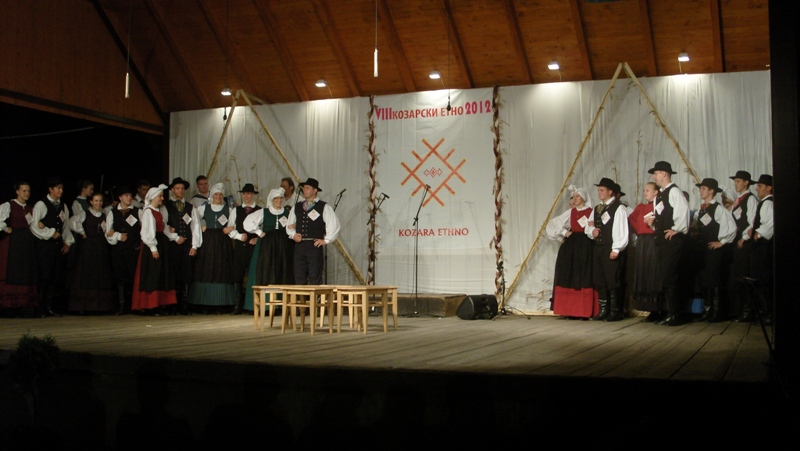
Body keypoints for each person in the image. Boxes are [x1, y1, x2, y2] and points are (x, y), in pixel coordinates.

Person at [644, 161, 690, 326]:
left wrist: (676, 229)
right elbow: (661, 215)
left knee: (670, 277)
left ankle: (676, 314)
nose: (654, 177)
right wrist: (653, 223)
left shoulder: (674, 191)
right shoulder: (661, 195)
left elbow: (683, 212)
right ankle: (670, 312)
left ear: (664, 174)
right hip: (662, 241)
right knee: (665, 277)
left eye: (656, 173)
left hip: (672, 242)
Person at [545, 186, 595, 319]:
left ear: (583, 198)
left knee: (583, 275)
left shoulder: (591, 211)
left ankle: (583, 310)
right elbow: (554, 223)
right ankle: (570, 310)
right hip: (572, 246)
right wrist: (564, 232)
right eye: (574, 196)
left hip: (586, 245)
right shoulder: (571, 212)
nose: (575, 199)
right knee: (569, 275)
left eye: (578, 196)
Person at [691, 178, 736, 322]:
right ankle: (708, 310)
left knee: (714, 280)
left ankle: (717, 311)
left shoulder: (719, 209)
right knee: (704, 280)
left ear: (712, 191)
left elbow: (732, 228)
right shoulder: (701, 209)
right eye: (700, 188)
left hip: (713, 252)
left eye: (703, 188)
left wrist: (722, 242)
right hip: (702, 251)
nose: (701, 191)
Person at [585, 178, 629, 321]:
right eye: (598, 190)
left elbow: (621, 229)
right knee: (600, 279)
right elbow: (589, 226)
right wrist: (592, 231)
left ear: (610, 192)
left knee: (613, 279)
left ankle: (615, 311)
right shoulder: (597, 208)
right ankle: (604, 310)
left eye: (602, 190)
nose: (599, 193)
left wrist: (616, 248)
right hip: (598, 247)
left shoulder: (618, 208)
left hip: (611, 247)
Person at [31, 176, 75, 317]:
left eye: (62, 188)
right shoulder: (41, 204)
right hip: (45, 246)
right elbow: (34, 226)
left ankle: (49, 306)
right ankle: (39, 307)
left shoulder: (63, 206)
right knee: (44, 276)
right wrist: (50, 233)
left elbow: (65, 226)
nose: (61, 191)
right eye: (58, 188)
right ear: (51, 189)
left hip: (57, 246)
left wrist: (67, 242)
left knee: (54, 276)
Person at [244, 187, 294, 311]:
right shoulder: (264, 212)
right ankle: (265, 305)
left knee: (282, 271)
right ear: (272, 200)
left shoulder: (288, 213)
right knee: (265, 269)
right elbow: (247, 222)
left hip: (283, 246)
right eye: (276, 198)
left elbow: (292, 227)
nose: (279, 201)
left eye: (280, 198)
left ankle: (281, 305)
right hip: (267, 246)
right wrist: (259, 232)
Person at [189, 182, 236, 311]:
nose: (218, 197)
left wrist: (232, 228)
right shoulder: (205, 208)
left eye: (220, 194)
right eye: (216, 194)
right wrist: (201, 226)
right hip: (208, 241)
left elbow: (235, 223)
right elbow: (194, 219)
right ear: (212, 196)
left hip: (223, 242)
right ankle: (204, 303)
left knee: (222, 268)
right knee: (207, 267)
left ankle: (221, 303)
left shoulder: (229, 210)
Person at [131, 184, 178, 314]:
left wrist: (175, 237)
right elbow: (147, 232)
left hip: (161, 243)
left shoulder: (158, 211)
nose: (162, 198)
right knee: (152, 274)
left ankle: (160, 304)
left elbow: (163, 228)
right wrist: (153, 248)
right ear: (152, 197)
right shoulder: (148, 211)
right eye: (160, 196)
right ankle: (150, 305)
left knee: (160, 273)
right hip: (153, 245)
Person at [286, 178, 340, 285]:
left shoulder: (323, 206)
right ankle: (301, 296)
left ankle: (315, 296)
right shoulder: (297, 206)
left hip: (314, 246)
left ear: (315, 190)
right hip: (299, 247)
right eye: (304, 188)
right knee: (299, 276)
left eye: (307, 188)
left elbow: (333, 224)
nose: (304, 190)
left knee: (315, 276)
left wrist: (326, 240)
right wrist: (293, 235)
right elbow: (289, 225)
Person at [68, 192, 115, 313]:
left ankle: (100, 307)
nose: (98, 203)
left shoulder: (105, 215)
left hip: (101, 248)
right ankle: (84, 306)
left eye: (100, 201)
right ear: (91, 202)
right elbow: (72, 221)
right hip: (88, 248)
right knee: (87, 274)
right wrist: (82, 232)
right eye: (96, 201)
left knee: (100, 274)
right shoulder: (85, 214)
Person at [0, 182, 38, 316]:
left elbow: (33, 225)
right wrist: (6, 229)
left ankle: (23, 305)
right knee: (12, 269)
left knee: (24, 270)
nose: (27, 193)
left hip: (26, 244)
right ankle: (8, 305)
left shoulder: (30, 208)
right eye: (24, 191)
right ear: (17, 191)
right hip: (13, 242)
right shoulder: (9, 205)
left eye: (28, 191)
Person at [164, 177, 200, 314]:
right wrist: (174, 236)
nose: (180, 191)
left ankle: (184, 305)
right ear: (172, 190)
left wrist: (194, 246)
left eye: (182, 188)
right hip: (172, 245)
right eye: (177, 188)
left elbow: (195, 227)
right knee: (172, 274)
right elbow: (163, 225)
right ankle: (172, 305)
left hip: (186, 246)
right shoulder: (166, 206)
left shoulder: (190, 207)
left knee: (186, 274)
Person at [106, 186, 142, 315]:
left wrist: (140, 243)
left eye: (130, 195)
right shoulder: (112, 213)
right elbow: (108, 232)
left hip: (133, 250)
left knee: (133, 277)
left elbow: (144, 229)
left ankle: (134, 306)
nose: (129, 198)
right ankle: (122, 305)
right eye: (126, 195)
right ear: (120, 197)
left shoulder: (138, 211)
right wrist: (117, 236)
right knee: (120, 277)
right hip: (118, 250)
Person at [729, 170, 759, 322]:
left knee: (745, 276)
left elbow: (753, 221)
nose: (736, 184)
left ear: (746, 183)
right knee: (738, 276)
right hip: (737, 242)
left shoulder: (750, 199)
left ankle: (749, 310)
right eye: (735, 181)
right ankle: (741, 310)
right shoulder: (738, 200)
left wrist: (745, 237)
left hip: (745, 243)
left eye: (738, 181)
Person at [629, 182, 661, 320]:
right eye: (644, 190)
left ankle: (657, 308)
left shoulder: (659, 207)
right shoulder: (641, 207)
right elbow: (631, 218)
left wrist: (651, 228)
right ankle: (648, 308)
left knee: (653, 272)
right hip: (642, 241)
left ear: (656, 192)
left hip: (653, 240)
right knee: (644, 271)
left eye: (648, 190)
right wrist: (640, 230)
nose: (645, 193)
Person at [744, 174, 774, 325]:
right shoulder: (764, 203)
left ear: (769, 188)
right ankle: (763, 313)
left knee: (762, 280)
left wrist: (758, 234)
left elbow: (770, 223)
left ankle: (768, 314)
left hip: (764, 247)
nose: (757, 189)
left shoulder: (768, 203)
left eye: (760, 186)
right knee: (758, 279)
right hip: (760, 247)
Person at [229, 183, 261, 315]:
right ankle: (238, 305)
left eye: (248, 193)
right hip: (240, 247)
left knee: (253, 275)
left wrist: (258, 238)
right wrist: (238, 236)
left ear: (253, 195)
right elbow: (230, 228)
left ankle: (252, 306)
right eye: (244, 194)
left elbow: (264, 229)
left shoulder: (260, 210)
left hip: (253, 248)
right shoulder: (236, 211)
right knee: (237, 275)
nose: (246, 196)